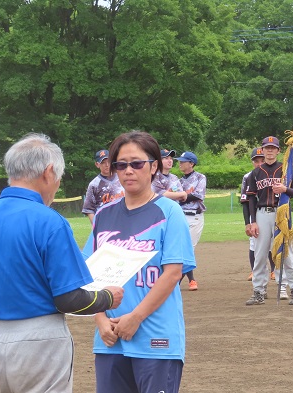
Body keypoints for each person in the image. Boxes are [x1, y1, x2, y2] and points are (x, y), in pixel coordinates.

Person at [0, 134, 123, 393]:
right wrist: (107, 297)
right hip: (40, 339)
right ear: (48, 172)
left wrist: (13, 298)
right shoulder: (50, 221)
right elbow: (69, 299)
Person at [84, 131, 195, 393]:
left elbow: (172, 274)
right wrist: (99, 319)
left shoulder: (169, 212)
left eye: (137, 163)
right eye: (121, 165)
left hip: (155, 337)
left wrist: (135, 317)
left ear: (154, 166)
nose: (128, 171)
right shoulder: (104, 214)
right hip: (110, 339)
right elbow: (89, 274)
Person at [246, 136, 293, 306]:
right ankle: (259, 291)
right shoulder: (255, 173)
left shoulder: (286, 170)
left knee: (285, 252)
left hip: (281, 213)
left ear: (278, 151)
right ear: (262, 150)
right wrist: (252, 221)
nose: (269, 151)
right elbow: (251, 200)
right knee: (260, 253)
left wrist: (286, 189)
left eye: (273, 148)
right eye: (266, 148)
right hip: (262, 213)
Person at [240, 147, 277, 285]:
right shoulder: (249, 176)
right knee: (254, 243)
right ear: (253, 162)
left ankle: (274, 269)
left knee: (272, 242)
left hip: (273, 212)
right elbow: (245, 201)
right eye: (257, 161)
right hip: (255, 213)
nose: (260, 163)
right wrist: (248, 222)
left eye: (262, 160)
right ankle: (254, 270)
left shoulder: (274, 173)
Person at [176, 151, 206, 291]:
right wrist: (181, 196)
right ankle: (191, 280)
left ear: (191, 163)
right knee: (181, 249)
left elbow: (198, 195)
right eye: (180, 161)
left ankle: (175, 282)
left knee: (188, 249)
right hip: (180, 216)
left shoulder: (200, 177)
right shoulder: (178, 181)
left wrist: (180, 196)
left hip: (194, 216)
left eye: (183, 161)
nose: (180, 163)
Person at [82, 149, 124, 223]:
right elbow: (89, 209)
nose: (107, 165)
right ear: (97, 164)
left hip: (124, 219)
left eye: (108, 161)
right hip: (105, 223)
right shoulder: (94, 184)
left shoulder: (122, 177)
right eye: (103, 163)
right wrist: (96, 226)